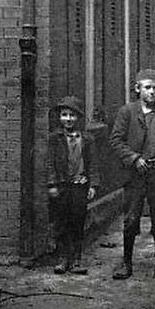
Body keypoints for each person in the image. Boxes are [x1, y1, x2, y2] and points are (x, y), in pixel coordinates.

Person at [109, 68, 155, 281]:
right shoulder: (127, 112)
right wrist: (134, 158)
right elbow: (115, 140)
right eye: (148, 88)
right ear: (137, 89)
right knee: (131, 219)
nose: (152, 92)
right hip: (135, 175)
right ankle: (126, 262)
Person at [46, 95, 97, 275]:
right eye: (64, 115)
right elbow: (50, 162)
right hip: (62, 186)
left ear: (78, 118)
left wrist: (92, 185)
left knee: (77, 221)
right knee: (61, 222)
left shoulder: (88, 139)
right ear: (59, 117)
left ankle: (76, 259)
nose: (68, 119)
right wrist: (52, 184)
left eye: (72, 115)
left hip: (79, 186)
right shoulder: (54, 139)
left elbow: (93, 163)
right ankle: (62, 258)